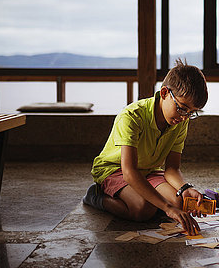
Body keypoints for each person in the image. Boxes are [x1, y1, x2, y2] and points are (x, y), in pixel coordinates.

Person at [82, 60, 208, 236]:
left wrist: (185, 188)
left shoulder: (180, 121)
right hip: (116, 169)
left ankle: (147, 199)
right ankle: (97, 197)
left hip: (148, 171)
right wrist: (166, 208)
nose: (185, 117)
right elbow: (129, 172)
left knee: (180, 202)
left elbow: (172, 169)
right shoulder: (132, 116)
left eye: (191, 113)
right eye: (182, 108)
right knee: (143, 209)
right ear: (164, 93)